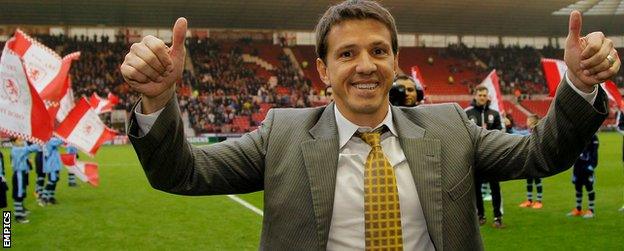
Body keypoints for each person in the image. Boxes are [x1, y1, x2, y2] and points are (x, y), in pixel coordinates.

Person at [120, 0, 619, 249]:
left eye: (378, 51)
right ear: (322, 69)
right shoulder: (282, 134)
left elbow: (541, 154)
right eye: (347, 53)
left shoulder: (449, 128)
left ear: (396, 61)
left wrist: (577, 85)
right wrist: (160, 99)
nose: (365, 65)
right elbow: (179, 174)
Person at [464, 85, 505, 228]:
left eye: (484, 95)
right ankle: (480, 215)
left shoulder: (494, 113)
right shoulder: (467, 113)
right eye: (480, 95)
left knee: (495, 188)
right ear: (475, 95)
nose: (482, 97)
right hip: (475, 159)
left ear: (487, 97)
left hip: (492, 157)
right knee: (475, 189)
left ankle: (497, 217)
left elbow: (500, 131)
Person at [567, 134, 599, 218]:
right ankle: (578, 209)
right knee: (578, 187)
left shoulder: (593, 137)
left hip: (587, 166)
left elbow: (595, 153)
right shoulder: (577, 135)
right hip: (577, 167)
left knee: (589, 187)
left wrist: (592, 165)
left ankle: (591, 211)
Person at [516, 114, 544, 209]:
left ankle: (539, 201)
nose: (526, 122)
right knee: (529, 180)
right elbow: (519, 133)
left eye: (528, 120)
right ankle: (529, 200)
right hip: (529, 160)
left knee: (538, 181)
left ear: (532, 121)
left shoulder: (537, 131)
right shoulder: (529, 131)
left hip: (537, 160)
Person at [10, 138, 40, 223]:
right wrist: (40, 142)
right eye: (19, 140)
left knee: (20, 194)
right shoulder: (16, 150)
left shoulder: (18, 149)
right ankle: (18, 216)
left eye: (21, 140)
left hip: (21, 173)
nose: (22, 141)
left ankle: (20, 213)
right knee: (18, 195)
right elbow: (29, 149)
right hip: (18, 174)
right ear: (13, 142)